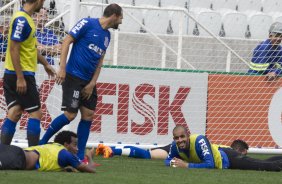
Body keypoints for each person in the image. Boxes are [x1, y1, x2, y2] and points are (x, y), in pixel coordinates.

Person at [39, 3, 123, 162]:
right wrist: (62, 68)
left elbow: (100, 61)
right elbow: (66, 41)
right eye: (121, 18)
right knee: (70, 115)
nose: (121, 21)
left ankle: (79, 156)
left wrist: (92, 83)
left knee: (88, 115)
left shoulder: (107, 36)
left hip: (88, 81)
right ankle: (42, 143)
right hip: (73, 76)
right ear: (114, 16)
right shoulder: (87, 23)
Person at [1, 0, 56, 147]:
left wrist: (45, 64)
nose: (42, 5)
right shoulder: (21, 20)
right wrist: (20, 77)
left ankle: (2, 153)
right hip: (21, 74)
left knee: (14, 112)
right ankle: (34, 154)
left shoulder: (27, 19)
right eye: (42, 2)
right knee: (36, 114)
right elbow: (13, 48)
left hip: (16, 74)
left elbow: (31, 48)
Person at [165, 125, 282, 171]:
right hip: (224, 156)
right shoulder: (175, 146)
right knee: (260, 162)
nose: (180, 140)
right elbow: (167, 160)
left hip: (228, 157)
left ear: (188, 135)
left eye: (182, 137)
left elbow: (210, 164)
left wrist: (186, 165)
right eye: (177, 138)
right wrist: (174, 163)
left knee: (263, 167)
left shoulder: (199, 140)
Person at [0, 130, 96, 172]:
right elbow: (91, 170)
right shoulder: (65, 154)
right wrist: (89, 157)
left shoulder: (51, 146)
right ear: (66, 145)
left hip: (12, 150)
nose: (77, 149)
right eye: (75, 145)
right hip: (17, 159)